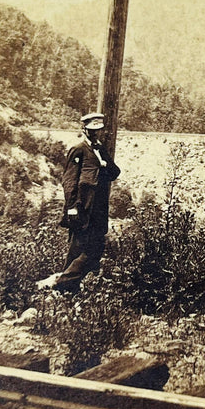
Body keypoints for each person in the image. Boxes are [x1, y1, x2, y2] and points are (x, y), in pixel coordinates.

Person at [54, 112, 121, 292]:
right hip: (82, 208)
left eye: (98, 130)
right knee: (78, 248)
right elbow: (69, 182)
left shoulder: (100, 150)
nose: (95, 133)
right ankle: (65, 286)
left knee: (97, 246)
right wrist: (72, 208)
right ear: (84, 129)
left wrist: (104, 164)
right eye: (92, 130)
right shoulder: (79, 150)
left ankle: (70, 284)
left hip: (98, 209)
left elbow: (115, 172)